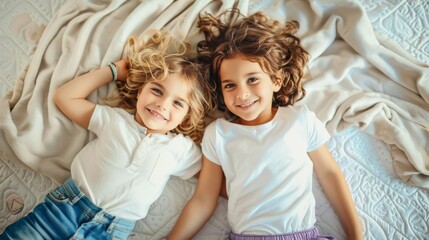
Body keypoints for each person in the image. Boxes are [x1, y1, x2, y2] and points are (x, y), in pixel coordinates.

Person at [168, 9, 362, 240]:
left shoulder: (299, 120)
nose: (242, 94)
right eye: (230, 85)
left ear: (276, 81)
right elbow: (203, 200)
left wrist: (355, 235)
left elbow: (330, 175)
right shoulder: (218, 134)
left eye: (252, 80)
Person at [0, 30, 214, 240]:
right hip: (61, 212)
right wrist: (112, 71)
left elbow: (215, 179)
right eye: (157, 90)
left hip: (112, 232)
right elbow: (64, 97)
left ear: (187, 116)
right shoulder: (114, 121)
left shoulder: (181, 149)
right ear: (140, 91)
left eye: (178, 103)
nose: (162, 104)